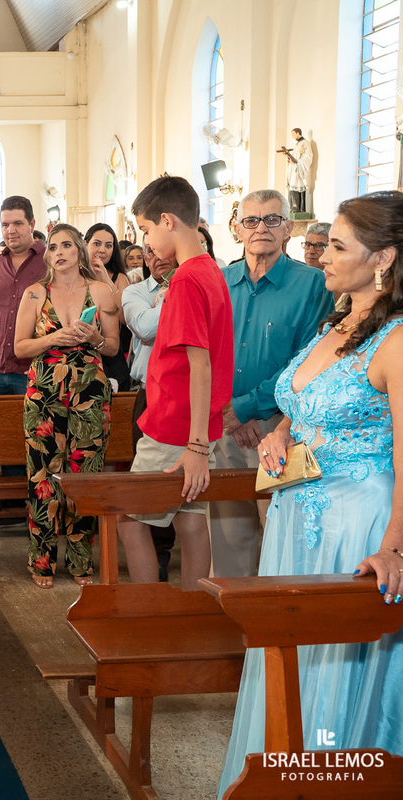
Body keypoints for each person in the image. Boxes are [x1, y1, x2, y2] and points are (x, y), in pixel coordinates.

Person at [217, 191, 403, 796]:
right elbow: (302, 402)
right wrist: (277, 432)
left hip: (356, 523)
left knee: (338, 671)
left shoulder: (397, 342)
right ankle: (277, 776)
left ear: (384, 259)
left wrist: (394, 549)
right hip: (297, 514)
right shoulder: (337, 321)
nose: (320, 255)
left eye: (338, 246)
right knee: (290, 661)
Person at [116, 175, 234, 589]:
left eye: (146, 230)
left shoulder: (184, 279)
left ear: (168, 221)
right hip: (196, 425)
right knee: (189, 519)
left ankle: (150, 615)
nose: (145, 243)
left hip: (175, 425)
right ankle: (192, 615)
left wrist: (196, 445)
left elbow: (200, 365)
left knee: (128, 520)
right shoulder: (211, 271)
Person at [210, 190, 333, 578]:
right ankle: (231, 622)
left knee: (278, 531)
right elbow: (206, 353)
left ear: (289, 229)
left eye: (271, 220)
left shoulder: (313, 284)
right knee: (228, 531)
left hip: (281, 426)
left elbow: (306, 362)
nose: (260, 227)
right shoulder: (221, 281)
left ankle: (274, 627)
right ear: (236, 230)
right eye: (251, 221)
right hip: (224, 423)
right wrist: (231, 409)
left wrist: (246, 408)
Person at [15, 224, 119, 587]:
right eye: (53, 247)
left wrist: (95, 338)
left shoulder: (102, 291)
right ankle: (41, 562)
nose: (59, 252)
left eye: (67, 246)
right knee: (42, 477)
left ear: (79, 251)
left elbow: (114, 347)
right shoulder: (34, 293)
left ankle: (80, 563)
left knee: (84, 476)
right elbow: (19, 348)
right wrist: (56, 337)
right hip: (44, 394)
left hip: (89, 392)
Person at [123, 250, 179, 581]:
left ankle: (165, 556)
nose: (156, 258)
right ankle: (154, 557)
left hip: (178, 396)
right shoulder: (135, 292)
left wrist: (173, 295)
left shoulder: (189, 285)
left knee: (186, 507)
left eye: (162, 251)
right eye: (149, 253)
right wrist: (172, 298)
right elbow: (145, 329)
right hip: (147, 392)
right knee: (143, 492)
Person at [0, 197, 48, 398]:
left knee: (36, 430)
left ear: (32, 224)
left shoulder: (49, 264)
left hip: (34, 372)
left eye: (17, 223)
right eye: (5, 225)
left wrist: (44, 364)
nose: (10, 230)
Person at [84, 223, 133, 391]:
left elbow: (124, 318)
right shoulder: (74, 275)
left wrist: (105, 279)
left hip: (110, 354)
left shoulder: (119, 278)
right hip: (80, 354)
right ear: (85, 244)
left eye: (108, 245)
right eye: (97, 243)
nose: (102, 250)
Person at [282, 127, 314, 216]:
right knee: (292, 187)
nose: (292, 136)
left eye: (293, 134)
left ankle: (297, 208)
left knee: (296, 186)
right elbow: (295, 157)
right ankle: (292, 207)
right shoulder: (298, 144)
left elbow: (307, 157)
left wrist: (297, 163)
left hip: (299, 169)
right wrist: (289, 158)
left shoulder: (305, 143)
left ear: (298, 133)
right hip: (294, 168)